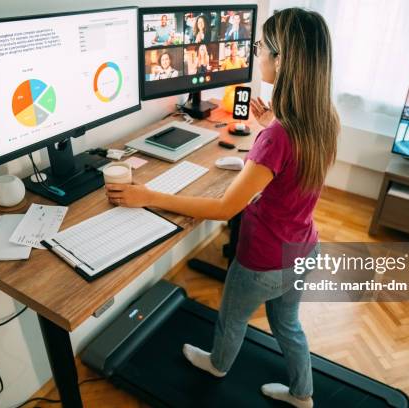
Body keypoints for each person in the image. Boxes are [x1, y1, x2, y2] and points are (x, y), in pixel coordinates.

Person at [105, 8, 340, 408]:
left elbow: (225, 208)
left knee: (232, 318)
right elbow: (288, 171)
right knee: (288, 325)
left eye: (262, 46)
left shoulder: (278, 137)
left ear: (282, 61)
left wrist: (149, 196)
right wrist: (268, 130)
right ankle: (303, 394)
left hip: (263, 259)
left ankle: (217, 365)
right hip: (303, 248)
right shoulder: (323, 118)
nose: (257, 53)